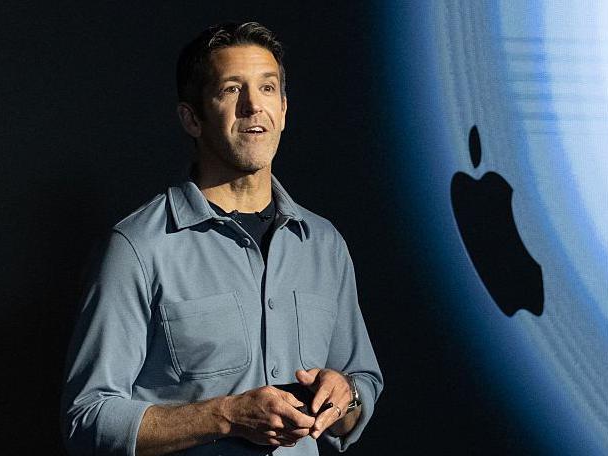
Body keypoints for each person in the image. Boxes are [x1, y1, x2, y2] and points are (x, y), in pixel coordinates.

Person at [61, 21, 383, 456]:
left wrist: (347, 395)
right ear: (192, 118)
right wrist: (225, 415)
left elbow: (360, 384)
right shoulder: (138, 247)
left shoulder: (324, 245)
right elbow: (87, 418)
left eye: (267, 89)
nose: (254, 106)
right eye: (232, 90)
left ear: (284, 109)